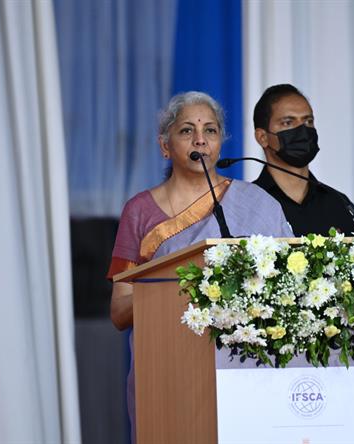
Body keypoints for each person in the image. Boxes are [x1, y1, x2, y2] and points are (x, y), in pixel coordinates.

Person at [107, 91, 293, 442]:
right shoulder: (139, 211)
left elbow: (288, 288)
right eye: (186, 130)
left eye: (210, 130)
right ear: (165, 145)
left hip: (246, 367)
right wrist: (183, 287)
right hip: (168, 372)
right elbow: (119, 311)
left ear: (220, 142)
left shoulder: (257, 204)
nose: (200, 140)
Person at [252, 84, 354, 236]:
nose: (303, 131)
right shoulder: (249, 204)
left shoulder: (338, 202)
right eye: (288, 122)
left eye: (308, 121)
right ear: (262, 137)